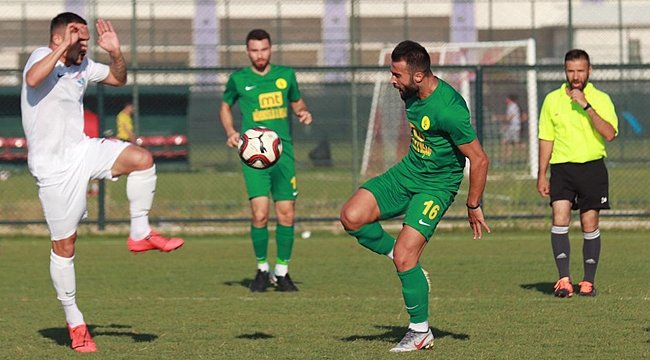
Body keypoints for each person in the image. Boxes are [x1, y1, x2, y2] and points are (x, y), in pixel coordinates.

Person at [20, 12, 184, 353]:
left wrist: (115, 53)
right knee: (65, 247)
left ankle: (140, 233)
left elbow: (118, 79)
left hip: (82, 150)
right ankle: (75, 322)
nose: (85, 47)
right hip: (52, 168)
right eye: (81, 41)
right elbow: (34, 80)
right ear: (61, 37)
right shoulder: (40, 57)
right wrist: (64, 46)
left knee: (142, 160)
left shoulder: (82, 65)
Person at [339, 40, 490, 353]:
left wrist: (473, 204)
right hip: (408, 172)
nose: (392, 80)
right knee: (352, 216)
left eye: (397, 74)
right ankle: (398, 255)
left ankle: (420, 332)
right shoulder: (410, 92)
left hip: (436, 186)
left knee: (409, 256)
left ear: (419, 76)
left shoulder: (448, 109)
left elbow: (480, 159)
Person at [219, 29, 312, 293]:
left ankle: (282, 272)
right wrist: (230, 131)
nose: (260, 54)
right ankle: (262, 269)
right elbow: (225, 106)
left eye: (264, 49)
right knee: (260, 214)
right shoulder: (239, 79)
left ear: (271, 49)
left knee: (287, 213)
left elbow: (296, 102)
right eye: (254, 50)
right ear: (247, 51)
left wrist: (303, 112)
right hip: (253, 158)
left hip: (283, 155)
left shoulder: (286, 75)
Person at [537, 49, 618, 298]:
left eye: (580, 70)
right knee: (559, 217)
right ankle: (563, 280)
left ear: (589, 71)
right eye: (571, 70)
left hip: (592, 167)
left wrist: (586, 105)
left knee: (589, 223)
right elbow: (546, 138)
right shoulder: (552, 100)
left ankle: (588, 282)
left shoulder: (601, 98)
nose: (575, 76)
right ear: (565, 70)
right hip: (562, 169)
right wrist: (542, 173)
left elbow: (610, 133)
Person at [499, 94, 522, 161]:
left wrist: (501, 119)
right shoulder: (511, 106)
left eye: (507, 99)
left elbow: (510, 118)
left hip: (514, 127)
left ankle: (529, 150)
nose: (506, 100)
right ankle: (506, 158)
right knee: (507, 143)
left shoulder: (513, 106)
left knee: (515, 144)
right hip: (511, 127)